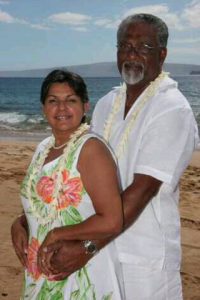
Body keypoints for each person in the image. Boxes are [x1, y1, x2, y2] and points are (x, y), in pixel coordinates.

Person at [12, 14, 199, 300]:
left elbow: (142, 190)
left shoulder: (172, 109)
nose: (132, 54)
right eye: (125, 46)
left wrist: (86, 247)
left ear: (162, 54)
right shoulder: (108, 103)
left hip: (141, 257)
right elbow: (71, 168)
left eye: (144, 47)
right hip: (100, 254)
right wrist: (26, 220)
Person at [11, 69, 125, 299]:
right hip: (41, 272)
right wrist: (19, 223)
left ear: (85, 106)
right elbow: (42, 205)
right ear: (43, 108)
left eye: (70, 100)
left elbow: (112, 220)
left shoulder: (91, 150)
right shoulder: (43, 148)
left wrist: (58, 234)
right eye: (53, 101)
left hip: (80, 269)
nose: (61, 108)